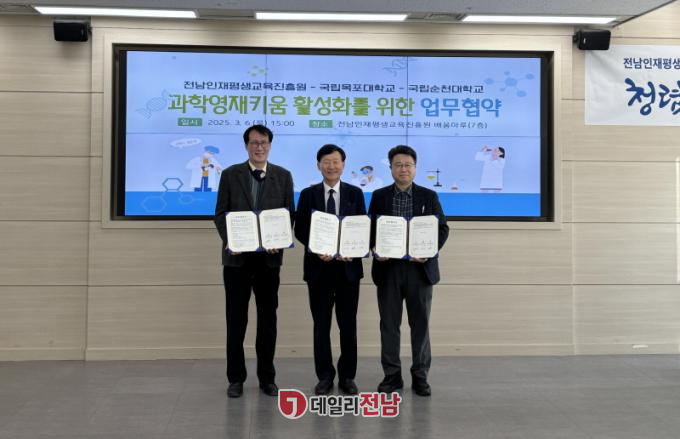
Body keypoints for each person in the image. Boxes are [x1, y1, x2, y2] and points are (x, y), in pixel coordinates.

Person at [214, 125, 294, 398]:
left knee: (268, 321)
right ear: (246, 145)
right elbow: (220, 214)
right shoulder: (230, 174)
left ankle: (267, 378)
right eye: (253, 143)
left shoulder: (283, 176)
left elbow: (289, 215)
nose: (259, 147)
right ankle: (235, 378)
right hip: (236, 261)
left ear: (270, 145)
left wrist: (279, 239)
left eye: (263, 142)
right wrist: (231, 240)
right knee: (236, 321)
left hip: (268, 262)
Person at [368, 145, 449, 397]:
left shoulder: (429, 196)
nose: (403, 169)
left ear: (415, 168)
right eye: (398, 165)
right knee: (389, 325)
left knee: (420, 325)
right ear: (391, 168)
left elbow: (442, 228)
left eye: (408, 165)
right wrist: (374, 248)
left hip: (419, 270)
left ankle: (420, 376)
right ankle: (392, 376)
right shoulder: (379, 195)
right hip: (388, 269)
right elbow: (370, 229)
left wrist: (428, 250)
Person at [294, 144, 366, 396]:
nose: (331, 166)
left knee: (348, 326)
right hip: (318, 269)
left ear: (343, 165)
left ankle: (347, 376)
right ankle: (324, 376)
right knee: (321, 326)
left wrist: (353, 249)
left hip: (348, 270)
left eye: (336, 161)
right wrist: (316, 249)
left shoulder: (355, 193)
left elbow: (361, 227)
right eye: (326, 162)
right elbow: (300, 229)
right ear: (318, 165)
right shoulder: (308, 194)